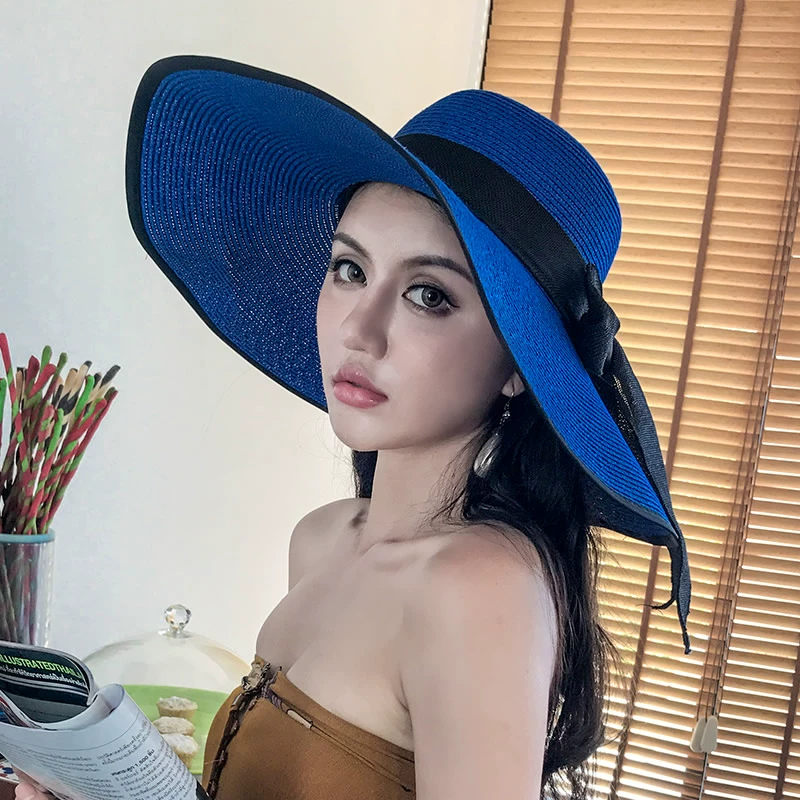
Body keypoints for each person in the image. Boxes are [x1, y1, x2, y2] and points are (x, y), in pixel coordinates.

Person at [16, 56, 691, 800]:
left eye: (429, 295)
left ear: (519, 367)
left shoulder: (479, 590)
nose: (359, 331)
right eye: (349, 269)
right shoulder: (321, 539)